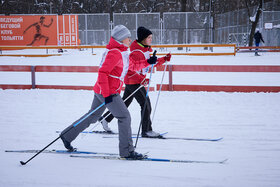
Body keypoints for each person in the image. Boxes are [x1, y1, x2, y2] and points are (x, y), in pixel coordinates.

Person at [60, 25, 157, 159]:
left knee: (92, 116)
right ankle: (127, 151)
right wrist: (107, 95)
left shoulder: (121, 52)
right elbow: (102, 73)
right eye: (128, 37)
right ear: (122, 39)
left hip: (102, 90)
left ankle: (67, 135)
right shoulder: (114, 53)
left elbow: (132, 66)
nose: (130, 39)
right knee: (124, 117)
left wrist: (148, 62)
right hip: (108, 91)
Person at [99, 26, 171, 138]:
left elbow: (148, 64)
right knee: (146, 104)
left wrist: (163, 59)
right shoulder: (136, 52)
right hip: (133, 81)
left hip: (135, 81)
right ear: (143, 38)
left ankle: (105, 118)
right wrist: (140, 79)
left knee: (124, 103)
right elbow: (129, 69)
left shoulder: (145, 50)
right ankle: (146, 130)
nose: (151, 39)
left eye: (151, 37)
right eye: (149, 37)